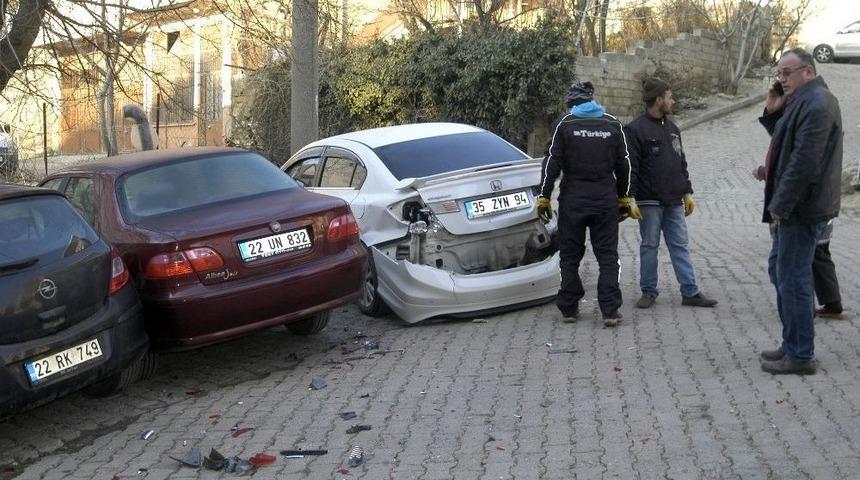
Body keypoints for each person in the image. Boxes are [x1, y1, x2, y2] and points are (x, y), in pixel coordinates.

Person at [757, 47, 843, 375]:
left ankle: (802, 354)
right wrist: (773, 109)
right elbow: (784, 144)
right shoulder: (802, 102)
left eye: (786, 73)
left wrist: (780, 205)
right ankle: (792, 344)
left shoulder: (819, 103)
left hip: (802, 209)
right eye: (778, 74)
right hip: (796, 207)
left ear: (807, 71)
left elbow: (805, 163)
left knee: (793, 279)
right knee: (781, 271)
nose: (781, 80)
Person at [536, 81, 636, 327]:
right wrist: (625, 196)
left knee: (570, 256)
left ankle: (569, 308)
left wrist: (544, 195)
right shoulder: (612, 123)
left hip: (573, 202)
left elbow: (552, 163)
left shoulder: (564, 124)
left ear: (571, 103)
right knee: (608, 257)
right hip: (605, 201)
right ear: (592, 100)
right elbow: (624, 164)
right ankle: (610, 310)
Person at [625, 78, 718, 310]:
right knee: (649, 246)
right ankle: (648, 291)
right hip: (649, 201)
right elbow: (630, 168)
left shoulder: (673, 128)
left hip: (674, 199)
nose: (672, 100)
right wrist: (629, 197)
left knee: (680, 245)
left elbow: (680, 162)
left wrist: (687, 191)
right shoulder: (635, 130)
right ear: (658, 100)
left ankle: (690, 292)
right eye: (669, 96)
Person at [754, 167, 843, 319]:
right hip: (818, 205)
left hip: (805, 211)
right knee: (818, 255)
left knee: (793, 264)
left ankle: (800, 310)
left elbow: (794, 169)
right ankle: (830, 302)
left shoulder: (807, 144)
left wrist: (764, 172)